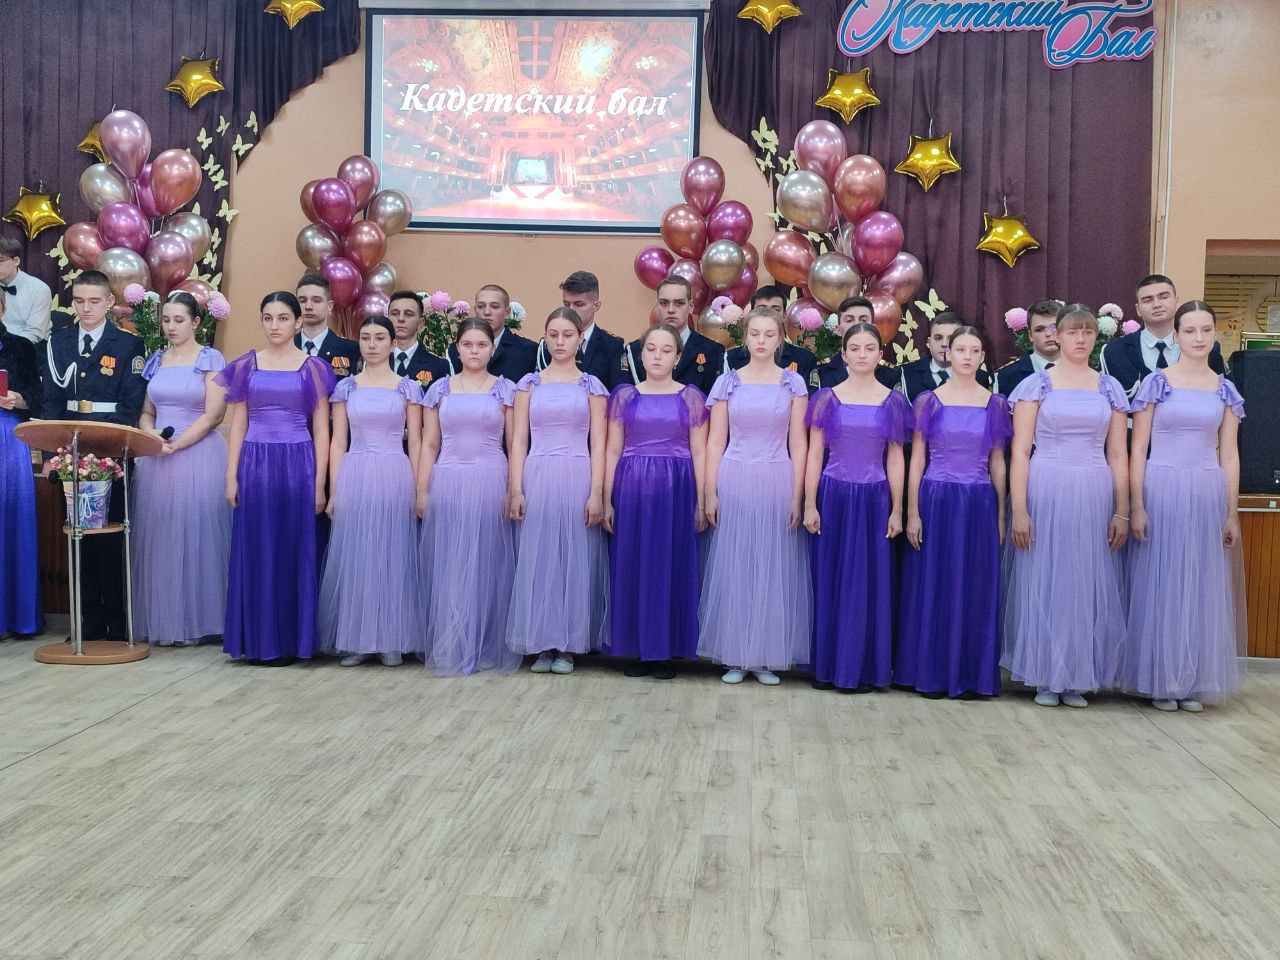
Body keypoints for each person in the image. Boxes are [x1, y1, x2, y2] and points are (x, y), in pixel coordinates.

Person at [1001, 304, 1130, 707]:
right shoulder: (1036, 385)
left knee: (1084, 581)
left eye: (1087, 332)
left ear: (1097, 337)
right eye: (1072, 332)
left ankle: (1075, 676)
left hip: (1094, 488)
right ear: (1056, 336)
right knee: (1046, 577)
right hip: (1048, 485)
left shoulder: (1109, 387)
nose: (1080, 339)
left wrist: (1122, 509)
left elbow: (1118, 454)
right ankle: (1045, 673)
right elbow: (1020, 451)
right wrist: (1019, 509)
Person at [1121, 301, 1246, 712]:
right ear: (1176, 336)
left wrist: (1231, 512)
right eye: (1190, 330)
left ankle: (1191, 679)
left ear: (1215, 334)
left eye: (1206, 330)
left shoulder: (1225, 389)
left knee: (1199, 587)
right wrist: (1137, 504)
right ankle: (1162, 678)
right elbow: (1138, 449)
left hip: (1207, 491)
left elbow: (1230, 454)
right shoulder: (1157, 383)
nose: (1199, 338)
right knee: (1163, 584)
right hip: (1163, 487)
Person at [217, 292, 334, 665]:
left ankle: (291, 642)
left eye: (283, 318)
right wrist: (231, 476)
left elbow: (322, 428)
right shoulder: (246, 365)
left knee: (294, 550)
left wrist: (319, 483)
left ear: (298, 322)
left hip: (299, 463)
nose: (274, 326)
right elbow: (238, 423)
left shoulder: (313, 368)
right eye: (268, 318)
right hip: (255, 463)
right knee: (257, 548)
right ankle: (257, 641)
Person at [896, 326, 1011, 699]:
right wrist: (913, 511)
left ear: (982, 357)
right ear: (948, 353)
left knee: (975, 586)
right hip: (937, 498)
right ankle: (930, 672)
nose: (966, 356)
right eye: (960, 349)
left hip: (979, 501)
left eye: (974, 350)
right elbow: (917, 459)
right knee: (934, 583)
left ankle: (971, 675)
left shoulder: (995, 404)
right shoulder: (928, 401)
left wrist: (1001, 514)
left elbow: (998, 461)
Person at [698, 309, 810, 684]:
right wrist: (709, 491)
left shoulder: (793, 384)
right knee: (737, 564)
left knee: (772, 566)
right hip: (735, 476)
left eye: (769, 334)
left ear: (780, 340)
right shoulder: (727, 383)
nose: (761, 341)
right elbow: (715, 441)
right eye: (755, 334)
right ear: (745, 338)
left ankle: (764, 657)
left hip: (777, 477)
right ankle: (735, 654)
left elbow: (799, 443)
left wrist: (797, 496)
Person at [803, 322, 912, 692]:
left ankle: (863, 667)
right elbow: (814, 454)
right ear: (844, 354)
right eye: (855, 348)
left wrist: (897, 508)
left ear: (881, 355)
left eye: (869, 348)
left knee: (869, 584)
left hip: (874, 499)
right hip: (833, 496)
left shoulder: (893, 401)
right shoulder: (826, 399)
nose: (862, 354)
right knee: (831, 579)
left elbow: (895, 457)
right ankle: (828, 666)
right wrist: (809, 503)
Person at [40, 270, 146, 642]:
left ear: (110, 302)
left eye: (94, 301)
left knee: (111, 537)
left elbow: (130, 404)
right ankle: (86, 621)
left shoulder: (128, 344)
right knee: (78, 536)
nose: (86, 308)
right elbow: (51, 401)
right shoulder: (59, 341)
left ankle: (116, 621)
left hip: (111, 453)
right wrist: (52, 454)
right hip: (69, 453)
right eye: (80, 300)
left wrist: (107, 449)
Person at [603, 324, 709, 679]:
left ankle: (665, 650)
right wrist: (606, 499)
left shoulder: (691, 397)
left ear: (678, 357)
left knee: (670, 564)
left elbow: (699, 451)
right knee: (635, 564)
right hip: (632, 488)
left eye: (666, 350)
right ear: (641, 354)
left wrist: (702, 499)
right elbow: (613, 449)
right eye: (650, 349)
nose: (657, 356)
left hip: (677, 489)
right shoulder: (625, 396)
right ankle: (640, 648)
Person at [507, 307, 610, 673]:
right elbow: (518, 440)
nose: (560, 341)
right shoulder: (529, 385)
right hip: (538, 473)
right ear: (545, 338)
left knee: (572, 558)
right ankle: (541, 643)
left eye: (567, 335)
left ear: (580, 338)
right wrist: (515, 488)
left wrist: (597, 493)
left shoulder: (591, 386)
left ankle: (567, 644)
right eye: (553, 335)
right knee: (539, 559)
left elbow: (599, 443)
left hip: (577, 472)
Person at [416, 319, 519, 675]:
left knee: (488, 564)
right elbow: (430, 444)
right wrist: (422, 489)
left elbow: (514, 443)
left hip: (491, 480)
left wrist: (513, 489)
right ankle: (453, 643)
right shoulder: (440, 389)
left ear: (492, 349)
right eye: (468, 344)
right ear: (457, 348)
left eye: (481, 344)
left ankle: (484, 644)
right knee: (450, 562)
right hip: (448, 480)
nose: (474, 351)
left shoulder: (505, 390)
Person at [320, 315, 423, 667]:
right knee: (357, 555)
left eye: (380, 338)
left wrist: (418, 488)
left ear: (392, 343)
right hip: (356, 472)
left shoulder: (408, 388)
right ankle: (357, 639)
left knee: (393, 555)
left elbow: (417, 442)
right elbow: (338, 442)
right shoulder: (346, 388)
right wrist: (334, 491)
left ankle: (392, 638)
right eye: (365, 338)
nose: (372, 344)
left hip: (394, 471)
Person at [132, 291, 230, 646]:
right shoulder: (156, 359)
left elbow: (214, 414)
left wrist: (178, 444)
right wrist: (151, 435)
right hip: (158, 456)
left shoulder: (211, 358)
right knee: (162, 536)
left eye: (178, 320)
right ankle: (167, 619)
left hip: (198, 454)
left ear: (196, 323)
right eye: (166, 320)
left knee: (198, 535)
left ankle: (201, 620)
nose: (170, 326)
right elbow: (147, 411)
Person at [1101, 275, 1225, 397]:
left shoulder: (1205, 350)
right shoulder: (1115, 351)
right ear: (1138, 309)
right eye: (1147, 300)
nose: (1156, 304)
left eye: (1164, 297)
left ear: (1176, 301)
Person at [0, 286, 42, 637]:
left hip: (7, 436)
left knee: (11, 519)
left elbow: (39, 398)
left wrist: (19, 399)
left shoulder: (21, 347)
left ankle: (16, 615)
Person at [625, 276, 724, 395]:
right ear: (657, 306)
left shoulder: (712, 350)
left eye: (679, 303)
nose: (671, 310)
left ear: (691, 307)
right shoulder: (635, 350)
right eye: (664, 303)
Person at [535, 271, 626, 390]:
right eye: (567, 304)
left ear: (596, 306)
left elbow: (618, 392)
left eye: (579, 304)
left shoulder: (611, 345)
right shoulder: (549, 344)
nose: (571, 310)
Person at [721, 285, 817, 389]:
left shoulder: (803, 359)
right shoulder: (730, 358)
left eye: (775, 310)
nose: (768, 315)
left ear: (784, 316)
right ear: (751, 314)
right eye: (762, 310)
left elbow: (809, 397)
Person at [887, 310, 990, 402]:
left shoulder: (980, 377)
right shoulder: (905, 373)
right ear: (929, 343)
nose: (944, 344)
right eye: (938, 338)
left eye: (951, 338)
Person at [447, 283, 538, 381]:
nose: (487, 312)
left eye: (494, 307)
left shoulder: (528, 350)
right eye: (481, 306)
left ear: (507, 312)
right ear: (475, 310)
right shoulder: (455, 350)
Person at [295, 273, 361, 379]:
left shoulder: (350, 349)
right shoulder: (287, 345)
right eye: (302, 301)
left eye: (316, 300)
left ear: (329, 306)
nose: (308, 306)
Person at [993, 299, 1063, 396]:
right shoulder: (1006, 376)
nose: (1048, 334)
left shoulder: (1082, 371)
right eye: (1040, 329)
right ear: (1030, 335)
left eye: (1054, 327)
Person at [816, 296, 882, 390]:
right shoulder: (821, 372)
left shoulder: (890, 374)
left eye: (863, 320)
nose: (857, 325)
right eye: (849, 320)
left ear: (873, 328)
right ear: (838, 330)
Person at [388, 290, 449, 387]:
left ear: (420, 324)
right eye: (395, 313)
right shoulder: (376, 361)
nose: (401, 319)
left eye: (408, 314)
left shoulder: (438, 365)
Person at [0, 236, 53, 343]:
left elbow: (35, 333)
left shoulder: (39, 289)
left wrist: (5, 346)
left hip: (30, 346)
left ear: (16, 261)